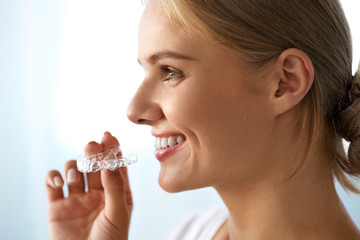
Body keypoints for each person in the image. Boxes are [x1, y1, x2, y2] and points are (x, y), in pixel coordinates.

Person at [45, 0, 360, 239]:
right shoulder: (190, 232)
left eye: (170, 71)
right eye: (145, 70)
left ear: (285, 82)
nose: (134, 110)